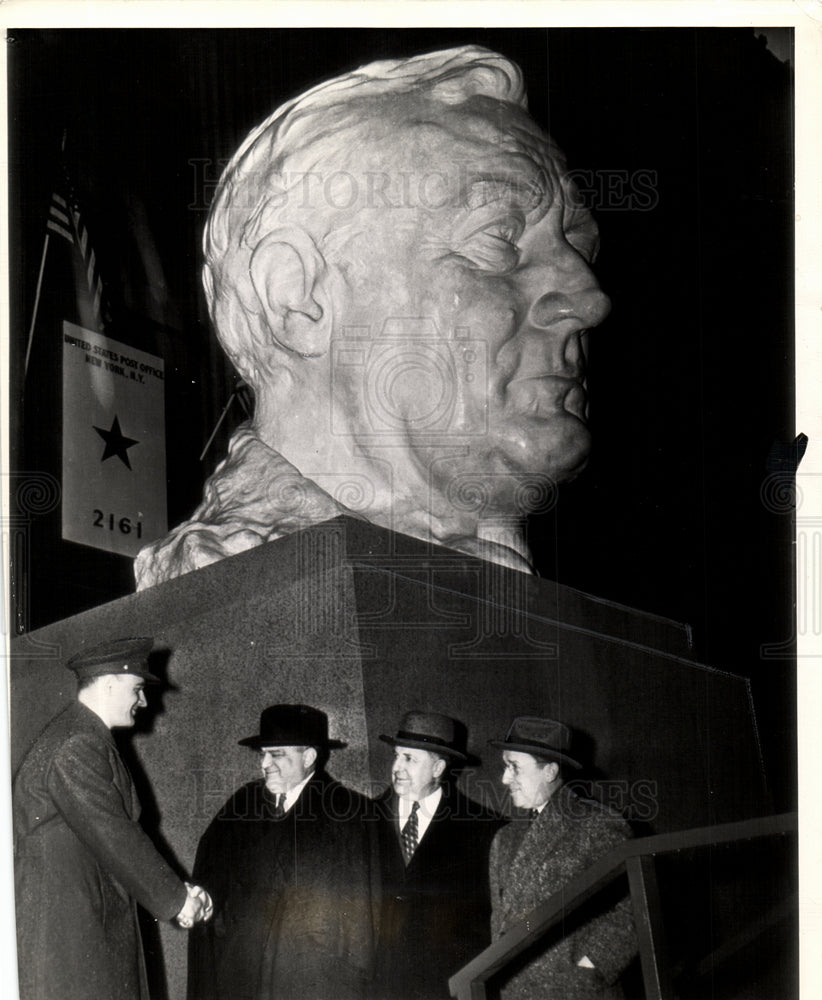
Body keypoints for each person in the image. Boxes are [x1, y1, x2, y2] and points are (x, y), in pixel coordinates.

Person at [135, 44, 611, 589]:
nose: (588, 299)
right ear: (297, 297)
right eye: (498, 239)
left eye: (580, 246)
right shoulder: (238, 585)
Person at [12, 636, 212, 1000]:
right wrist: (178, 899)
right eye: (137, 688)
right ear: (107, 684)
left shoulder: (81, 736)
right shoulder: (77, 743)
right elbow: (114, 834)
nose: (144, 700)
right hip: (72, 941)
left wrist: (177, 893)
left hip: (77, 933)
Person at [187, 703, 376, 1000]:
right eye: (262, 754)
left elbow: (360, 925)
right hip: (242, 978)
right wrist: (206, 898)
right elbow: (212, 873)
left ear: (309, 757)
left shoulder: (350, 814)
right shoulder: (241, 806)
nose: (264, 764)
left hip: (312, 983)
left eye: (276, 754)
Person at [488, 716, 636, 999]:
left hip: (574, 991)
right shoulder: (504, 840)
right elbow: (501, 925)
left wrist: (590, 966)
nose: (505, 778)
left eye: (514, 767)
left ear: (550, 771)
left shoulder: (597, 824)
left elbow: (630, 911)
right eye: (506, 766)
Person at [371, 711, 503, 1000]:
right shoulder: (360, 822)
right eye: (396, 755)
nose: (396, 767)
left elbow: (498, 920)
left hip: (449, 989)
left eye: (409, 759)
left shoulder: (485, 829)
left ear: (438, 767)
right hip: (377, 986)